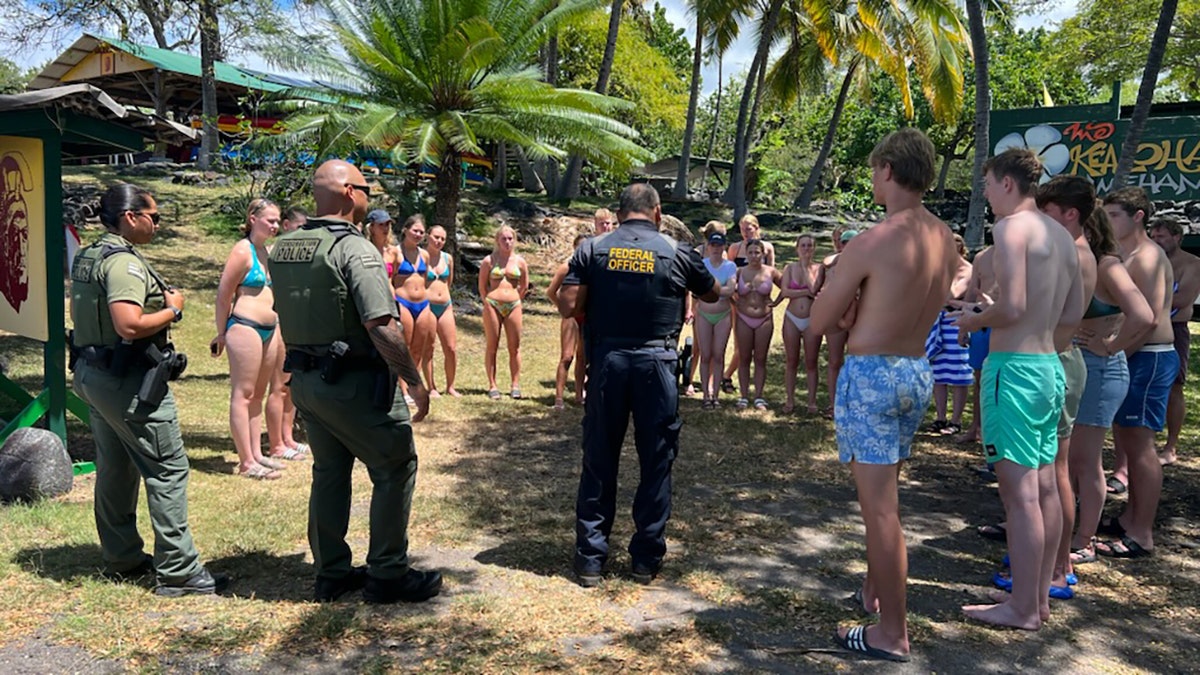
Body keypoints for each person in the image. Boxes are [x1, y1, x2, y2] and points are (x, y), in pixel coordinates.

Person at [811, 128, 958, 662]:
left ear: (889, 171)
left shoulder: (873, 239)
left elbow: (818, 322)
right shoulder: (946, 238)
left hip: (872, 373)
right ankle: (875, 590)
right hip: (916, 369)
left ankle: (891, 633)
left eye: (875, 170)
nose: (873, 180)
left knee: (880, 511)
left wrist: (835, 306)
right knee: (887, 496)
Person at [268, 159, 441, 604]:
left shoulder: (285, 246)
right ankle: (387, 573)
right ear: (348, 192)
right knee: (394, 465)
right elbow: (382, 324)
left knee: (329, 472)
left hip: (306, 381)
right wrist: (414, 379)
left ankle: (331, 572)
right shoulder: (356, 249)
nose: (369, 195)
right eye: (366, 187)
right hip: (356, 383)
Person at [70, 183, 229, 596]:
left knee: (116, 467)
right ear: (130, 217)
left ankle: (121, 555)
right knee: (168, 468)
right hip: (127, 383)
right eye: (153, 217)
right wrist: (173, 309)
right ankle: (178, 570)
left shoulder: (90, 254)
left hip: (93, 374)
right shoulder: (123, 264)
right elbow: (128, 324)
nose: (157, 224)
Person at [557, 183, 718, 588]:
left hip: (609, 361)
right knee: (656, 461)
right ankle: (645, 559)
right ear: (658, 213)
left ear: (619, 211)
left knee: (599, 458)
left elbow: (568, 303)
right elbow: (712, 293)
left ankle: (590, 558)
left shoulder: (592, 249)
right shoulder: (678, 252)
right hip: (657, 365)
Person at [953, 148, 1084, 631]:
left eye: (987, 184)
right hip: (1051, 365)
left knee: (1020, 495)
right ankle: (1037, 596)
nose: (985, 194)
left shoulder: (1010, 229)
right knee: (1045, 485)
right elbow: (1070, 315)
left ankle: (1024, 608)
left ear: (1007, 183)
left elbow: (1013, 306)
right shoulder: (1064, 237)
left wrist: (975, 316)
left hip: (1015, 368)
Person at [1038, 176, 1151, 590]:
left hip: (1100, 370)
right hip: (1078, 364)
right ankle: (1062, 539)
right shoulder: (1080, 257)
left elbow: (1144, 314)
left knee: (1083, 463)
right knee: (1066, 463)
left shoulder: (1105, 264)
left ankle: (1082, 541)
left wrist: (1111, 346)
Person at [1093, 188, 1176, 559]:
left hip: (1149, 356)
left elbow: (1148, 319)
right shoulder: (1125, 255)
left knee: (1141, 447)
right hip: (1134, 355)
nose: (1107, 222)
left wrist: (1112, 351)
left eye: (1114, 215)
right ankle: (1129, 518)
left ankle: (1142, 533)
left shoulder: (1146, 257)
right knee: (1127, 440)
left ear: (1138, 216)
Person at [211, 199, 288, 480]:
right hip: (245, 327)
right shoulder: (242, 251)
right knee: (242, 394)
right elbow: (224, 295)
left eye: (277, 221)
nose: (275, 225)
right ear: (253, 218)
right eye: (270, 220)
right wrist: (221, 333)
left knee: (258, 393)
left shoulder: (265, 252)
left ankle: (257, 454)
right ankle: (246, 461)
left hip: (270, 327)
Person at [1147, 219, 1200, 466]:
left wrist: (1141, 297)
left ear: (1178, 237)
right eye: (1154, 237)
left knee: (1174, 386)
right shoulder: (1145, 259)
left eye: (1162, 237)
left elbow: (1184, 298)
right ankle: (1142, 441)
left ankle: (1171, 445)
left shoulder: (1192, 263)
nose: (1157, 241)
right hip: (1143, 327)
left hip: (1174, 329)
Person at [266, 204, 311, 459]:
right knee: (279, 385)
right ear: (286, 226)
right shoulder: (272, 253)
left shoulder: (301, 255)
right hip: (278, 322)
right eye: (298, 228)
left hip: (298, 323)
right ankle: (276, 444)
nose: (302, 233)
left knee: (292, 384)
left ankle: (288, 437)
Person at [721, 214, 775, 391]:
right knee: (740, 344)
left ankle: (730, 376)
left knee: (757, 350)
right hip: (739, 301)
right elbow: (727, 271)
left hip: (761, 303)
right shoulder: (736, 248)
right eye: (742, 229)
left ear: (756, 228)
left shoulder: (767, 247)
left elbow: (772, 273)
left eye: (749, 228)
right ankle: (727, 376)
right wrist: (733, 294)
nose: (745, 232)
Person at [479, 225, 529, 399]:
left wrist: (516, 298)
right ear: (497, 241)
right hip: (493, 303)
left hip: (514, 304)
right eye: (504, 239)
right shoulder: (489, 261)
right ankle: (492, 384)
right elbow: (482, 285)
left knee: (514, 347)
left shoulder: (520, 262)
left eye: (510, 238)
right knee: (492, 345)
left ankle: (515, 384)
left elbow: (524, 285)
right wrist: (487, 301)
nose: (507, 242)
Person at [775, 233, 822, 414]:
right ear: (797, 248)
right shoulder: (788, 268)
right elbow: (785, 291)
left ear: (814, 248)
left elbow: (814, 289)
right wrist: (803, 293)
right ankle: (789, 399)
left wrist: (805, 268)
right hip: (792, 318)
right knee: (791, 360)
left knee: (811, 361)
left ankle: (811, 401)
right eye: (803, 245)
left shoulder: (819, 269)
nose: (806, 249)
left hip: (812, 319)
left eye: (809, 245)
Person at [732, 239, 781, 410]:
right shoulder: (739, 272)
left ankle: (759, 396)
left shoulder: (771, 272)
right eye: (751, 252)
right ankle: (744, 396)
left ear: (763, 253)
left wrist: (776, 302)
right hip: (743, 317)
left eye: (757, 252)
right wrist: (735, 302)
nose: (754, 256)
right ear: (746, 253)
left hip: (764, 318)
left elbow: (786, 287)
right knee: (744, 357)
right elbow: (729, 289)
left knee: (761, 359)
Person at [693, 227, 736, 409]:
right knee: (705, 354)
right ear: (708, 246)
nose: (716, 248)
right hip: (703, 314)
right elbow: (696, 289)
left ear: (724, 247)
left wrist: (711, 290)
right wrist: (720, 290)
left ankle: (715, 395)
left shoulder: (730, 266)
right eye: (713, 245)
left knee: (719, 354)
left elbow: (731, 289)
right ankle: (705, 396)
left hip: (723, 315)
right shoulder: (702, 264)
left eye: (719, 245)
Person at [393, 215, 436, 394]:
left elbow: (424, 279)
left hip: (423, 303)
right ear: (405, 230)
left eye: (421, 232)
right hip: (403, 302)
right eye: (415, 230)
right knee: (405, 347)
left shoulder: (424, 255)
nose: (418, 234)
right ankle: (401, 388)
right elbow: (389, 279)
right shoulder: (395, 252)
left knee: (419, 348)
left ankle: (413, 387)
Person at [958, 246, 996, 446]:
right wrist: (963, 328)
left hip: (1005, 323)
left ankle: (993, 431)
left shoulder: (1023, 253)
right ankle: (976, 427)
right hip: (981, 323)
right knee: (980, 380)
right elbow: (972, 293)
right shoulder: (982, 256)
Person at [819, 228, 859, 417]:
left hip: (857, 316)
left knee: (856, 361)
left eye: (852, 243)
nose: (848, 246)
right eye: (844, 242)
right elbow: (826, 262)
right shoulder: (833, 260)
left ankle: (854, 402)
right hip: (836, 314)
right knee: (835, 360)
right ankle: (833, 404)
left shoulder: (865, 264)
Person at [547, 234, 590, 409]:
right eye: (580, 248)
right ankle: (559, 398)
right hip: (571, 317)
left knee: (583, 358)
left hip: (586, 316)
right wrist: (563, 308)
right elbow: (551, 291)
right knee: (567, 356)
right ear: (574, 249)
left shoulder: (592, 269)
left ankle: (579, 395)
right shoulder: (566, 268)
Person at [423, 224, 460, 398]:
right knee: (428, 348)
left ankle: (450, 386)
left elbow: (449, 282)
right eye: (436, 237)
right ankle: (431, 387)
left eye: (442, 239)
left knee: (451, 348)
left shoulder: (448, 258)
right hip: (427, 306)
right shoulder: (421, 256)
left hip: (445, 306)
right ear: (427, 236)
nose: (439, 241)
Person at [365, 209, 400, 295]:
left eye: (387, 224)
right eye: (381, 225)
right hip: (373, 297)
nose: (385, 228)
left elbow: (394, 277)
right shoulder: (365, 249)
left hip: (390, 296)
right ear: (371, 227)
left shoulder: (393, 251)